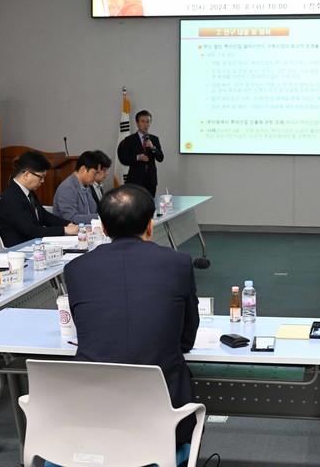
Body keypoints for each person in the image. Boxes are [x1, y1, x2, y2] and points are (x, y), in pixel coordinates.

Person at [64, 184, 199, 447]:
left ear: (103, 228)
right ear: (150, 225)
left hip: (93, 417)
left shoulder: (76, 268)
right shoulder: (178, 263)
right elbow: (186, 338)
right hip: (164, 420)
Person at [0, 151, 78, 247]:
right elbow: (30, 230)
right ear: (27, 175)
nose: (42, 181)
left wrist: (69, 224)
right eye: (41, 177)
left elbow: (44, 216)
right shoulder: (11, 197)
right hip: (18, 248)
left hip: (32, 243)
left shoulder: (28, 192)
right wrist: (64, 230)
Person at [117, 110, 164, 197]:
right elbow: (124, 159)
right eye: (143, 121)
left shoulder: (154, 139)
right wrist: (137, 157)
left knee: (150, 203)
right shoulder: (129, 140)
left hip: (151, 180)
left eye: (148, 122)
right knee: (135, 203)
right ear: (137, 123)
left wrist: (153, 147)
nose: (146, 124)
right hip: (135, 180)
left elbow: (160, 158)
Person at [53, 151, 103, 225]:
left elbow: (93, 211)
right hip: (70, 230)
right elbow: (71, 218)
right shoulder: (67, 188)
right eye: (95, 173)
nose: (96, 177)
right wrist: (100, 217)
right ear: (83, 170)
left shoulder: (86, 186)